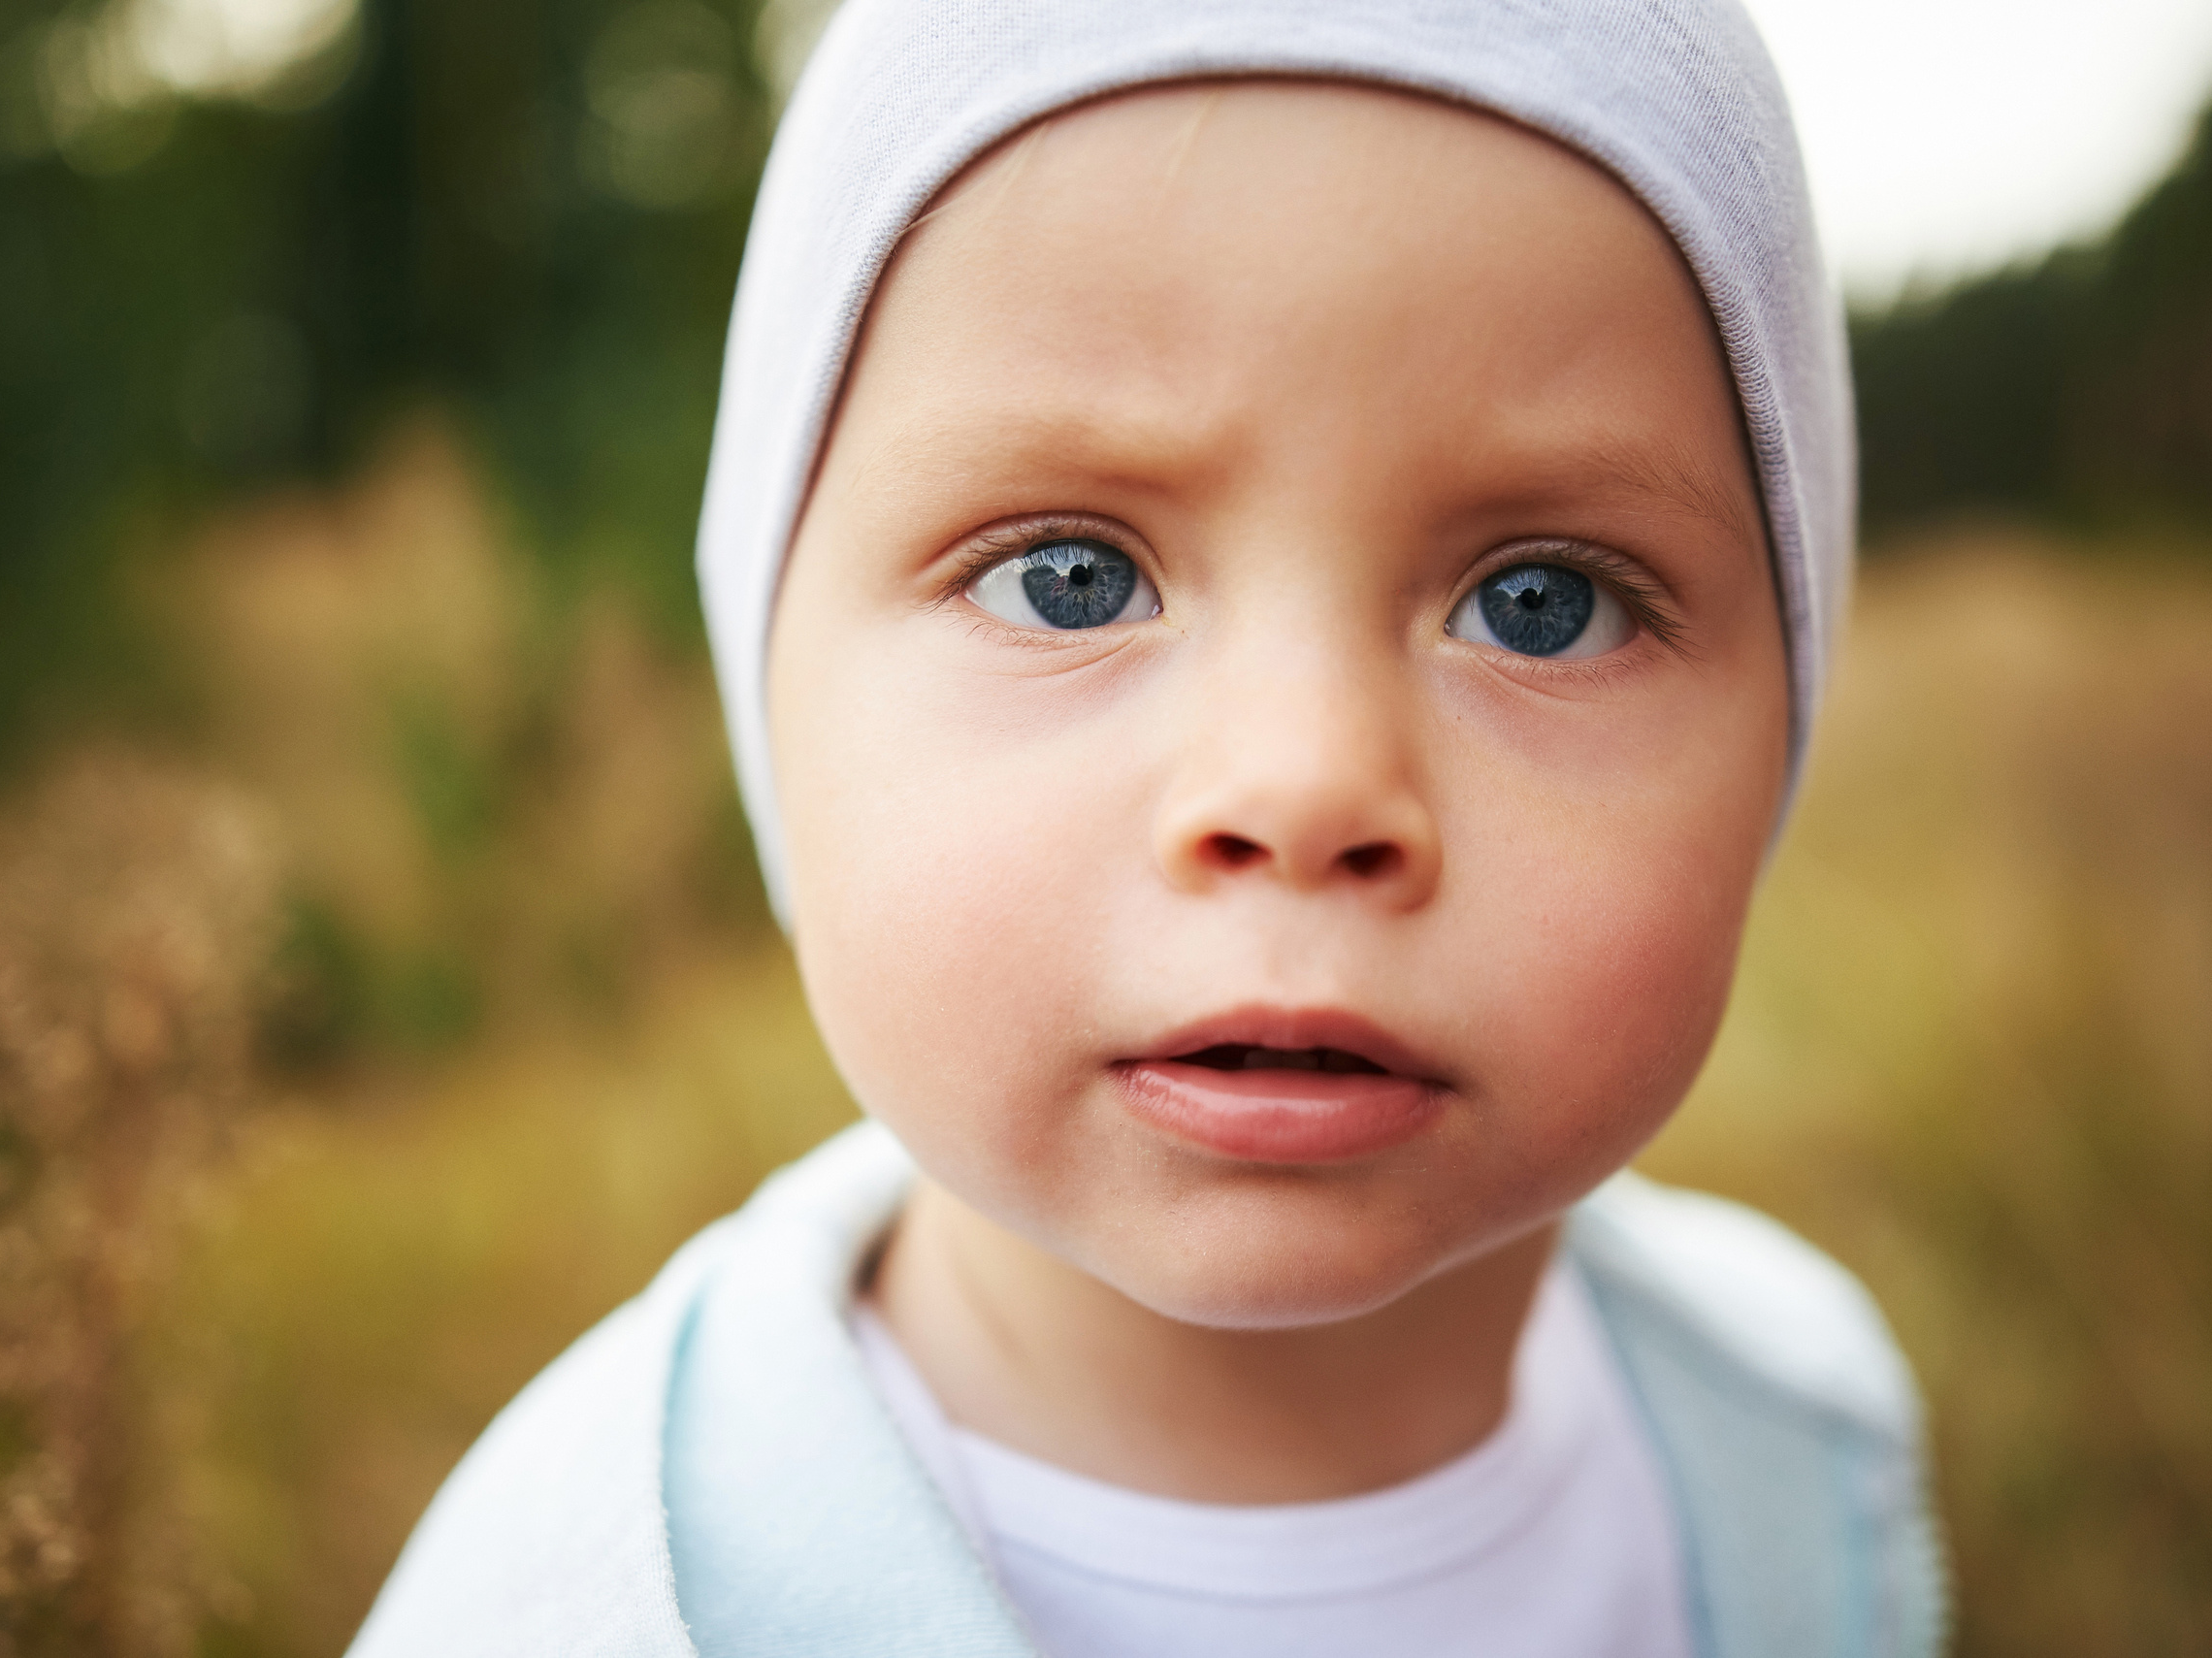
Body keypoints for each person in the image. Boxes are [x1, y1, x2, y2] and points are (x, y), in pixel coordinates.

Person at [348, 2, 1945, 1654]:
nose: (1303, 788)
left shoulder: (1799, 1442)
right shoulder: (589, 1601)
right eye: (1072, 579)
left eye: (1539, 607)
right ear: (773, 694)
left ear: (1781, 730)